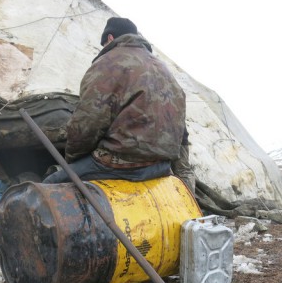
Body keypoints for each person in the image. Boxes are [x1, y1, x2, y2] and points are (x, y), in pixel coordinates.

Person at [43, 17, 186, 184]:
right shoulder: (164, 69)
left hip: (120, 164)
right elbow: (183, 132)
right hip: (160, 167)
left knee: (49, 185)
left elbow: (87, 122)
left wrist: (73, 159)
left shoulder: (109, 63)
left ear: (110, 38)